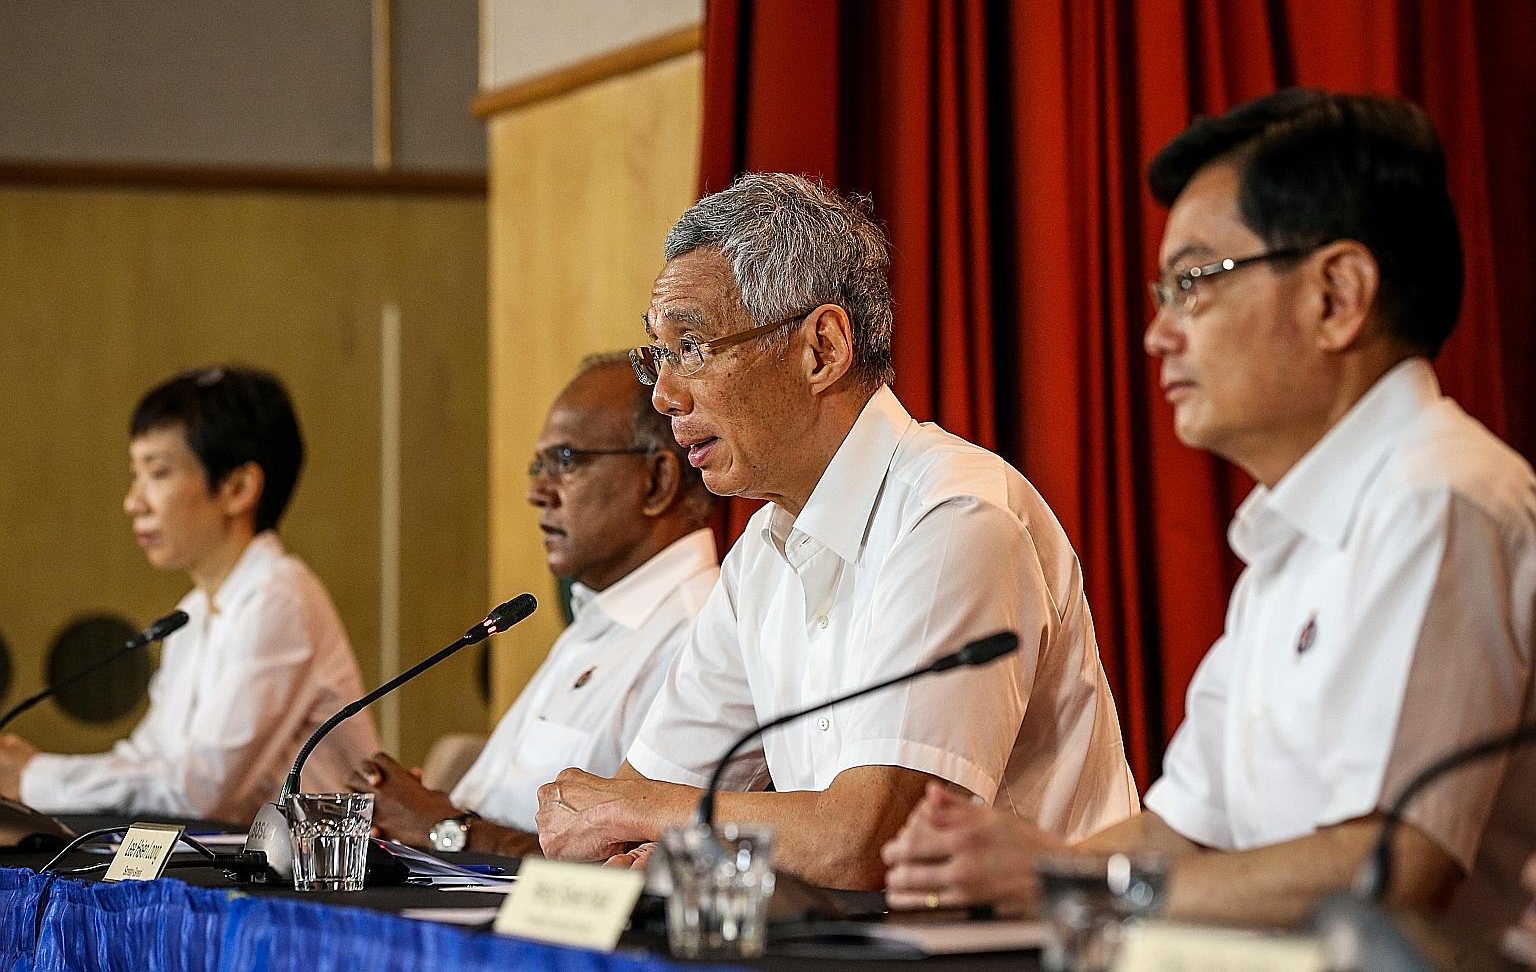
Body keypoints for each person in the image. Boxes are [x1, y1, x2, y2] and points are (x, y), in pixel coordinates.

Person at [883, 89, 1536, 934]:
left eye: (1194, 283)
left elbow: (1391, 872)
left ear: (1338, 295)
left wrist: (1058, 886)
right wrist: (1004, 861)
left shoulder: (1438, 498)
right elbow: (1186, 832)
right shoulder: (1289, 535)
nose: (1157, 333)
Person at [535, 174, 1136, 890]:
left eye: (692, 347)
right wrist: (640, 818)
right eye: (658, 356)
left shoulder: (954, 515)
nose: (665, 395)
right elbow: (624, 823)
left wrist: (645, 811)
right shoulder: (760, 555)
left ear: (821, 348)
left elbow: (865, 843)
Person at [346, 354, 719, 855]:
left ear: (657, 481)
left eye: (566, 461)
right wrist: (410, 815)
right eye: (537, 466)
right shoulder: (594, 623)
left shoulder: (699, 635)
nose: (536, 492)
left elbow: (639, 866)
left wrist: (444, 829)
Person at [0, 366, 380, 824]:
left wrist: (35, 777)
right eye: (135, 474)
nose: (133, 501)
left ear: (238, 488)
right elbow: (149, 757)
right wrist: (30, 774)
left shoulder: (280, 599)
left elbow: (200, 792)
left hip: (321, 883)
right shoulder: (193, 613)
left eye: (157, 474)